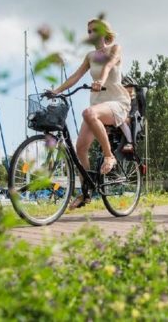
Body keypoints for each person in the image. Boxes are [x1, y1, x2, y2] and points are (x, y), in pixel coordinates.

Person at [50, 18, 131, 208]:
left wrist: (101, 81)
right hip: (98, 105)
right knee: (80, 149)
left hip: (117, 103)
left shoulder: (115, 49)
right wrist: (56, 91)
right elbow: (76, 76)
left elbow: (108, 66)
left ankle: (109, 156)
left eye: (94, 30)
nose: (90, 34)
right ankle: (85, 193)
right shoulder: (90, 56)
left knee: (88, 113)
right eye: (88, 31)